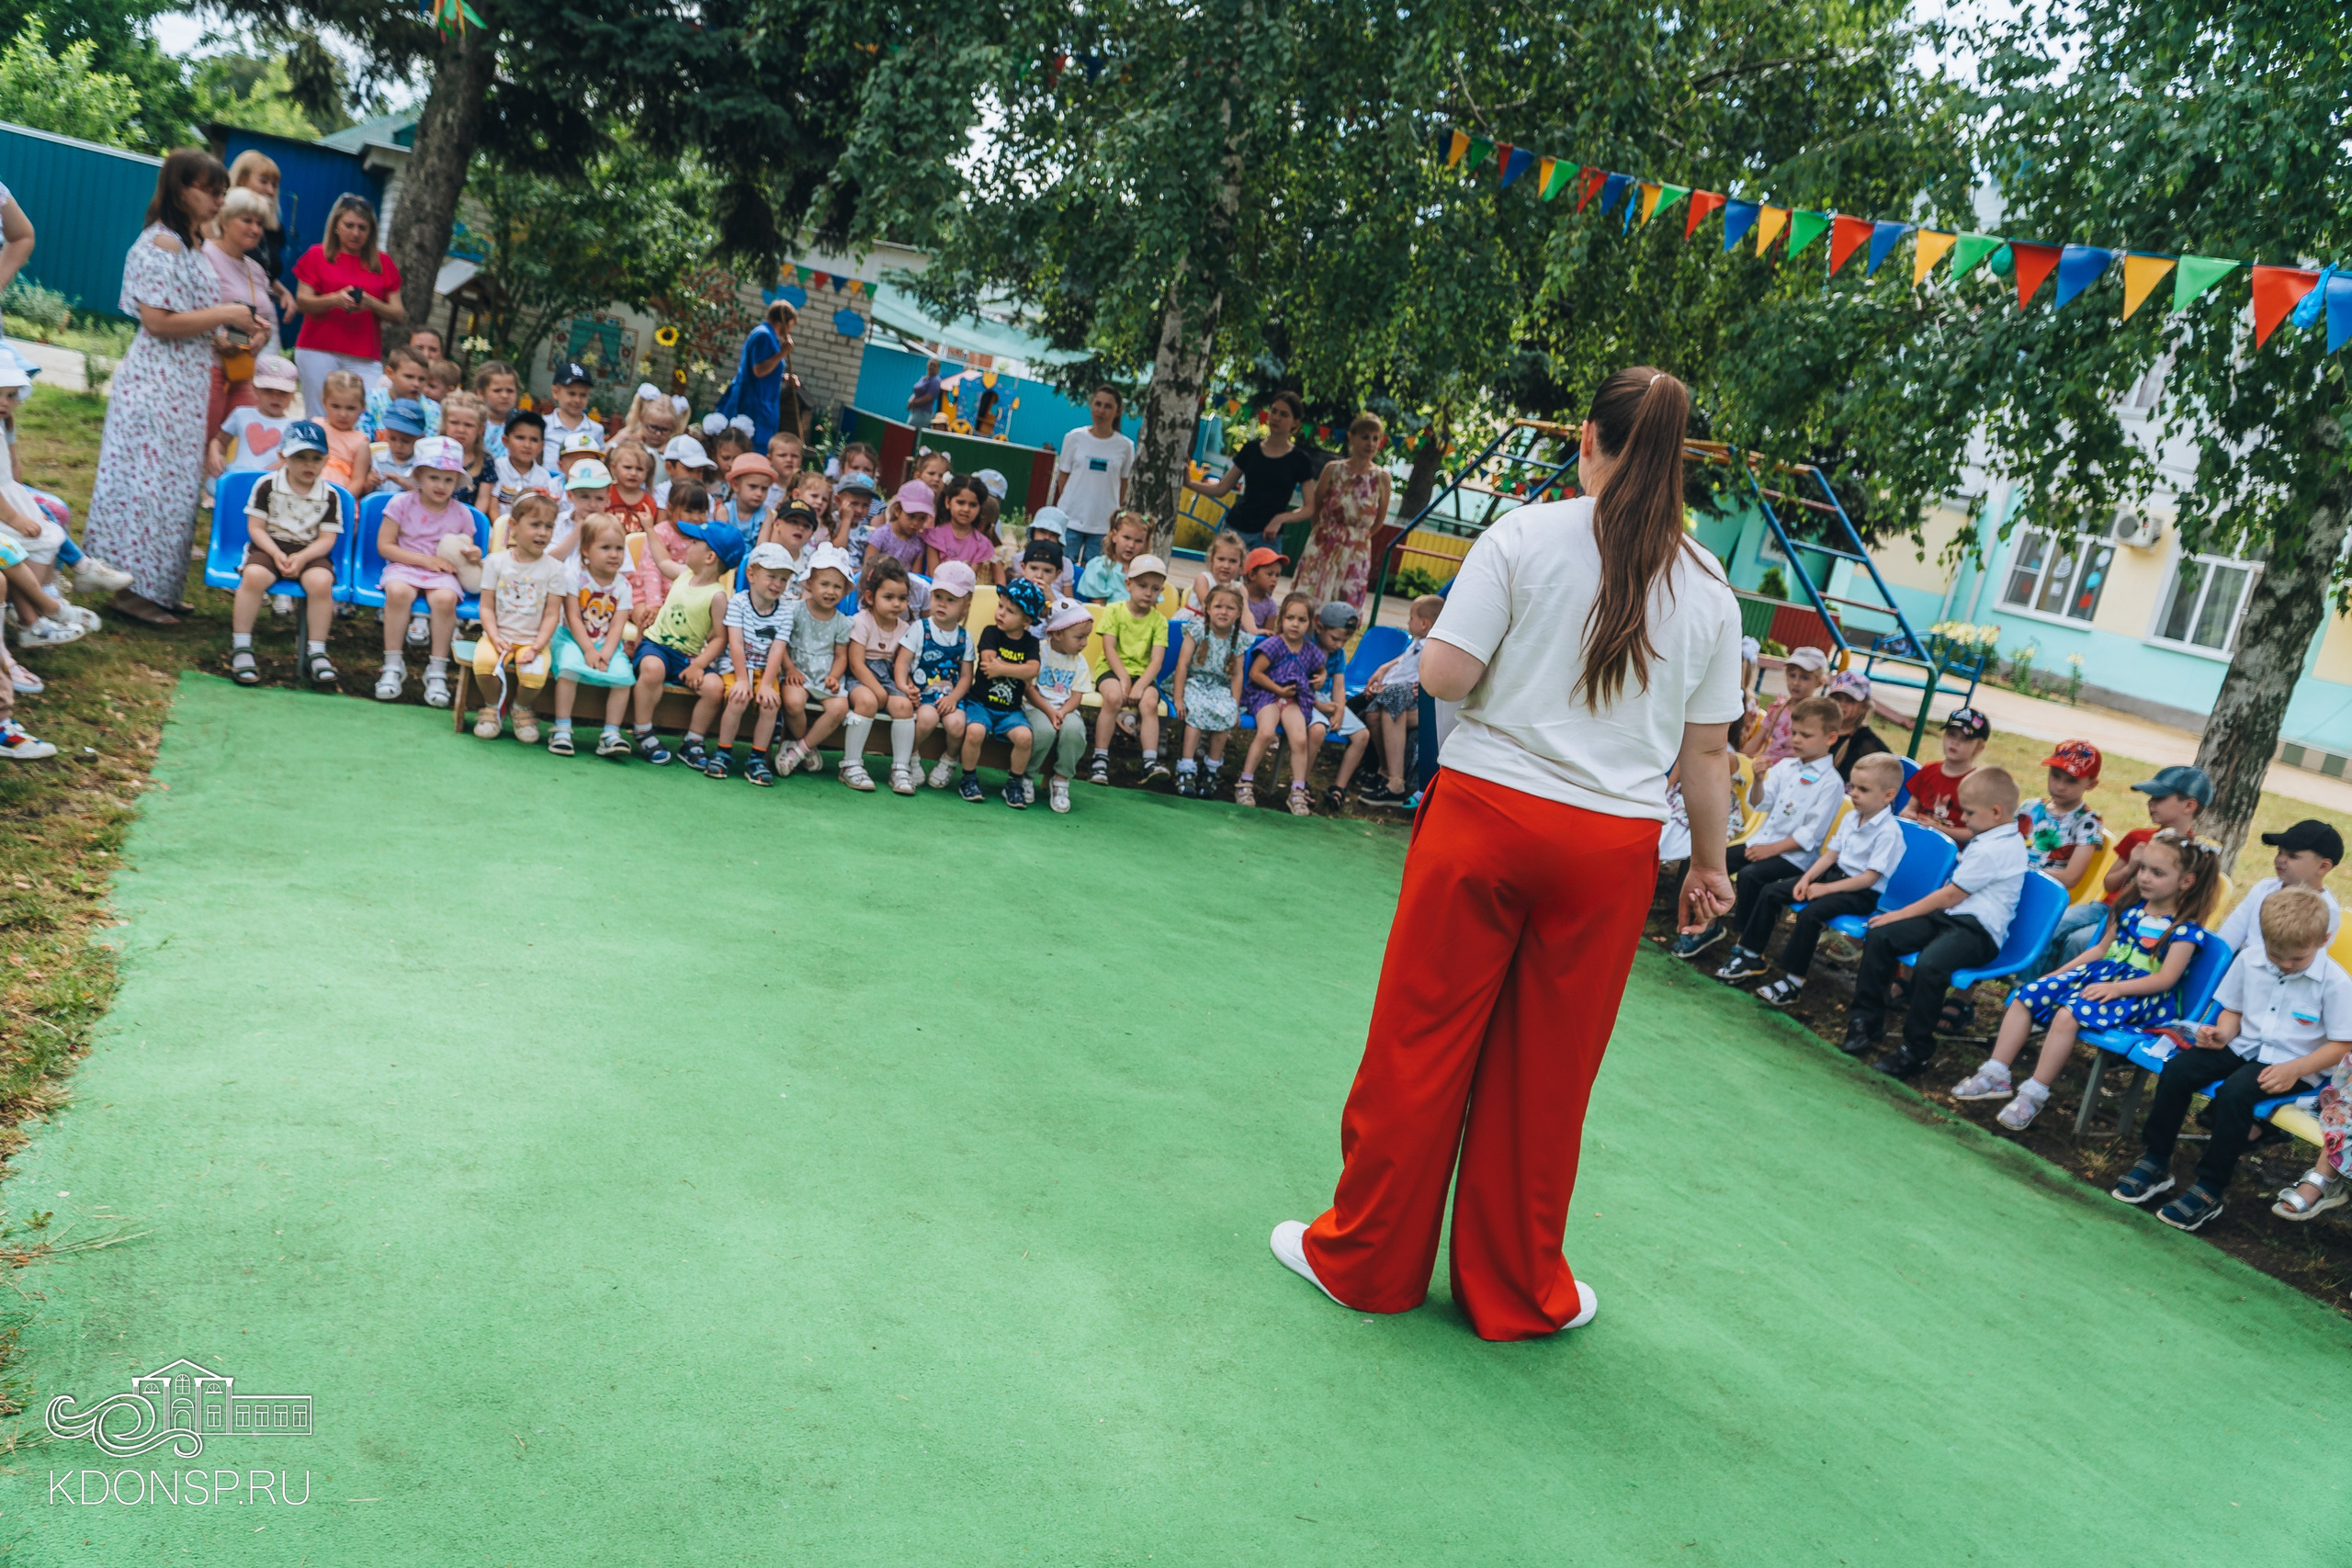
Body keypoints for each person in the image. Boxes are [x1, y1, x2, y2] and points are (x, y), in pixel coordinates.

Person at [1267, 367, 1740, 1341]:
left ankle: (1364, 1261)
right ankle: (1518, 1290)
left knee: (1420, 1041)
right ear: (1679, 458)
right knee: (1548, 1074)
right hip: (1611, 844)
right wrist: (1709, 863)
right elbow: (1707, 748)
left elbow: (1443, 671)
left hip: (1489, 816)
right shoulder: (1708, 587)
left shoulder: (1524, 534)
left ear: (1586, 440)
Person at [2112, 887, 2352, 1233]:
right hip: (2245, 1045)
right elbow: (2233, 1010)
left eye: (2296, 959)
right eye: (2276, 955)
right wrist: (2220, 1033)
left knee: (2236, 1094)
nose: (2285, 964)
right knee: (2179, 1070)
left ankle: (2209, 1189)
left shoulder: (2335, 983)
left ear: (2323, 940)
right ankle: (2155, 1160)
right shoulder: (2251, 958)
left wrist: (2295, 1069)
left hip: (2297, 1063)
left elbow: (2342, 1043)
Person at [84, 150, 257, 626]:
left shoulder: (190, 246)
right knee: (146, 486)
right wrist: (226, 314)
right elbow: (158, 322)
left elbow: (187, 320)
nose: (219, 200)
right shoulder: (161, 244)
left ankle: (157, 587)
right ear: (182, 189)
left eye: (223, 192)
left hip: (184, 382)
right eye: (211, 190)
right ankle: (129, 592)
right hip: (157, 385)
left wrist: (231, 337)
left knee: (175, 488)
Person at [1953, 828, 2222, 1130]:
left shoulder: (2185, 931)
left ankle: (2033, 1093)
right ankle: (1995, 1074)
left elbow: (2166, 979)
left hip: (2141, 997)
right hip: (2102, 980)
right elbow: (2100, 950)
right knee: (2027, 994)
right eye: (2144, 868)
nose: (2145, 877)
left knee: (2069, 1014)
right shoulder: (2129, 910)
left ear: (2187, 882)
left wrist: (2116, 988)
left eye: (2157, 873)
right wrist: (2057, 974)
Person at [1840, 767, 2029, 1077]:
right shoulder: (1991, 836)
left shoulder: (1998, 848)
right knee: (1883, 935)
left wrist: (1898, 913)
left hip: (1979, 932)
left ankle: (1915, 1052)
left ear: (1996, 812)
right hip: (1953, 920)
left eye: (1969, 812)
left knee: (1930, 966)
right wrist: (1893, 921)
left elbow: (1949, 897)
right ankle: (1865, 1022)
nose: (1964, 819)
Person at [1673, 695, 1844, 961]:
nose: (1796, 740)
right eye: (1795, 733)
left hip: (1794, 857)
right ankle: (1706, 924)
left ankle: (1745, 943)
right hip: (1763, 843)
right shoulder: (1786, 766)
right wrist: (1761, 779)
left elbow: (1811, 835)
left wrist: (1770, 849)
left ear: (1831, 738)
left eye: (1806, 735)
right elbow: (1759, 803)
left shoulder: (1831, 783)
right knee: (1715, 860)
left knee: (1752, 876)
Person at [1747, 755, 1910, 1004]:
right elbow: (1831, 855)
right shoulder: (1851, 818)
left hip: (1860, 894)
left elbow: (1868, 878)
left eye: (1863, 789)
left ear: (1888, 795)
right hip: (1832, 879)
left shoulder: (1889, 832)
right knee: (1772, 891)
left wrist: (1825, 889)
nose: (1854, 794)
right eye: (1852, 787)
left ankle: (1793, 981)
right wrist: (1807, 879)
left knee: (1811, 914)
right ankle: (1750, 953)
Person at [2047, 763, 2213, 969]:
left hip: (2141, 921)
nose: (2151, 804)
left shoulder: (2194, 858)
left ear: (2189, 806)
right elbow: (2109, 885)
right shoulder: (2138, 837)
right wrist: (2132, 866)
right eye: (2151, 798)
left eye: (2160, 798)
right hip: (2105, 908)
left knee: (2079, 941)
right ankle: (2028, 984)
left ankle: (2062, 991)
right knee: (2055, 922)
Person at [228, 420, 341, 687]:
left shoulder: (330, 495)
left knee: (321, 583)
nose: (308, 465)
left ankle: (317, 650)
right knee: (254, 576)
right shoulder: (267, 485)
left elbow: (327, 539)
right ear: (283, 457)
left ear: (325, 460)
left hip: (310, 550)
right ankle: (241, 645)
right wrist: (276, 553)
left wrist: (302, 558)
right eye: (300, 457)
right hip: (270, 544)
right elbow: (255, 528)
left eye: (316, 458)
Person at [371, 435, 479, 707]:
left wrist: (473, 554)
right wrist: (424, 561)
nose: (441, 486)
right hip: (405, 564)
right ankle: (393, 665)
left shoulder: (462, 514)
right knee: (397, 592)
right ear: (419, 475)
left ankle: (437, 670)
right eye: (433, 477)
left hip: (443, 571)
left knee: (445, 599)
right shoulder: (400, 504)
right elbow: (385, 547)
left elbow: (466, 549)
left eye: (448, 479)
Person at [458, 494, 569, 744]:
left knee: (534, 677)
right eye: (535, 524)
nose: (542, 532)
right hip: (498, 636)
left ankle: (520, 707)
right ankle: (493, 706)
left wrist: (538, 646)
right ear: (514, 526)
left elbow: (552, 614)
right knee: (484, 665)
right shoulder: (496, 562)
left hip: (533, 641)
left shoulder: (555, 568)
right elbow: (485, 607)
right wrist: (495, 638)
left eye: (548, 526)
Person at [629, 520, 741, 767]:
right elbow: (661, 560)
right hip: (655, 645)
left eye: (695, 542)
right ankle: (643, 730)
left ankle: (693, 741)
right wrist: (649, 529)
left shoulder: (717, 595)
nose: (688, 545)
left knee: (713, 688)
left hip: (687, 656)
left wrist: (699, 665)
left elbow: (720, 637)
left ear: (710, 557)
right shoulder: (683, 574)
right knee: (653, 669)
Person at [290, 193, 402, 418]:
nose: (355, 233)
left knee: (367, 413)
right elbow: (302, 301)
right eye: (349, 225)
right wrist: (335, 299)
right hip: (317, 347)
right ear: (335, 226)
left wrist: (370, 302)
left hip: (364, 354)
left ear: (371, 231)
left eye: (363, 227)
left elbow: (399, 314)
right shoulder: (317, 255)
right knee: (318, 414)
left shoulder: (382, 263)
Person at [705, 541, 799, 784]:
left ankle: (757, 758)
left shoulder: (786, 612)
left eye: (783, 579)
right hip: (735, 667)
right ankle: (723, 752)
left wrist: (767, 684)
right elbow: (735, 644)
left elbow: (778, 649)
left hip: (765, 669)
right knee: (738, 697)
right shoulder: (738, 602)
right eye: (771, 576)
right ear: (751, 574)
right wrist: (741, 680)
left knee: (771, 703)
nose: (777, 584)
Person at [547, 512, 638, 759]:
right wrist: (588, 650)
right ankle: (562, 727)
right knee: (568, 668)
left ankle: (610, 733)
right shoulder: (574, 577)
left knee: (624, 678)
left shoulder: (623, 586)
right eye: (605, 547)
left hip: (607, 644)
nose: (614, 554)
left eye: (619, 548)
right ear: (586, 550)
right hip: (571, 638)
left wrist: (605, 653)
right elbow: (574, 617)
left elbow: (618, 625)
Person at [1183, 391, 1320, 553]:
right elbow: (1221, 489)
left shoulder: (1300, 460)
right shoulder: (1251, 449)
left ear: (1295, 423)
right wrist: (1190, 483)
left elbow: (1309, 508)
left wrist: (1280, 519)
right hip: (1236, 529)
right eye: (1274, 411)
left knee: (1263, 578)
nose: (1276, 417)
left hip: (1268, 537)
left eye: (1284, 414)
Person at [200, 186, 281, 446]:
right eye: (247, 220)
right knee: (203, 446)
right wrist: (217, 338)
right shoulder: (204, 255)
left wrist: (263, 336)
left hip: (243, 372)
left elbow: (263, 320)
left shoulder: (256, 269)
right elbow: (188, 310)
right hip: (208, 369)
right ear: (224, 220)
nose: (256, 229)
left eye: (260, 223)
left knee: (244, 448)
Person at [957, 576, 1046, 807]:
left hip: (1010, 710)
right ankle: (968, 778)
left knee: (1025, 738)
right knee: (975, 731)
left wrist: (1003, 668)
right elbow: (988, 663)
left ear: (1026, 620)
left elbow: (1033, 669)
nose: (1001, 613)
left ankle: (1014, 784)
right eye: (1000, 607)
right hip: (980, 704)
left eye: (1010, 611)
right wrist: (1018, 670)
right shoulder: (991, 633)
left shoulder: (1030, 643)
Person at [1235, 592, 1327, 814]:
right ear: (1282, 619)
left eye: (1302, 620)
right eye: (1290, 618)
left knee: (1299, 739)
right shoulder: (1274, 644)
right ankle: (1245, 783)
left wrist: (1322, 676)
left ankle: (1297, 790)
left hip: (1293, 700)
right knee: (1266, 732)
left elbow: (1321, 668)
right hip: (1266, 696)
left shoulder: (1309, 650)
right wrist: (1278, 690)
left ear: (1309, 624)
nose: (1295, 624)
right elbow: (1256, 673)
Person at [1292, 412, 1393, 613]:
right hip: (1324, 542)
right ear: (1351, 437)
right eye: (1365, 437)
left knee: (1344, 605)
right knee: (1309, 600)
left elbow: (1379, 519)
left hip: (1356, 549)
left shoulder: (1381, 478)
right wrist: (1323, 534)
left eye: (1375, 438)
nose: (1370, 443)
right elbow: (1316, 505)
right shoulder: (1333, 470)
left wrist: (1357, 538)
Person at [1087, 553, 1170, 785]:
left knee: (1150, 703)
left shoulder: (1159, 621)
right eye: (1142, 585)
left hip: (1142, 675)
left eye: (1155, 588)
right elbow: (1109, 648)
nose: (1148, 592)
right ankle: (1100, 759)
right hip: (1113, 670)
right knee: (1113, 697)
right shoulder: (1114, 611)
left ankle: (1149, 762)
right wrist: (1124, 679)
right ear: (1128, 584)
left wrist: (1141, 685)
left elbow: (1156, 661)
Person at [841, 555, 922, 794]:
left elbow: (903, 665)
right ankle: (851, 764)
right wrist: (876, 689)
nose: (896, 604)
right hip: (862, 675)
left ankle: (900, 768)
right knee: (867, 701)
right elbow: (855, 664)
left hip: (892, 677)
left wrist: (908, 687)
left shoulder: (907, 629)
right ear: (870, 597)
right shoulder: (861, 621)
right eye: (889, 597)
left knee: (905, 707)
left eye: (902, 598)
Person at [775, 544, 857, 776]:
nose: (831, 591)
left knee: (840, 707)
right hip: (797, 670)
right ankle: (808, 746)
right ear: (809, 584)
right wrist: (789, 668)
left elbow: (841, 655)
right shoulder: (795, 611)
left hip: (824, 674)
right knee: (793, 702)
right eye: (824, 584)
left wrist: (834, 676)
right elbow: (780, 644)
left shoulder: (842, 622)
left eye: (837, 586)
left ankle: (799, 749)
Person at [1356, 593, 1444, 806]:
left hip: (1428, 706)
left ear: (1424, 623)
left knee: (1391, 701)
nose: (1408, 622)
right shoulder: (1417, 644)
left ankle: (1395, 783)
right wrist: (1385, 669)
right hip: (1408, 700)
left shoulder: (1434, 648)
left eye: (1411, 618)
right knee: (1373, 714)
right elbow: (1406, 663)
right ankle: (1386, 773)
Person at [2215, 820, 2344, 966]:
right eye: (2280, 852)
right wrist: (2215, 962)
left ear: (2323, 866)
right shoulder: (2264, 888)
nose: (2280, 859)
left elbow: (2303, 959)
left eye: (2293, 856)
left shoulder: (2326, 909)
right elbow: (2231, 933)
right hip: (2240, 966)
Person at [1171, 582, 1247, 797]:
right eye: (1219, 606)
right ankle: (1186, 768)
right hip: (1194, 683)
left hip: (1220, 688)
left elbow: (1237, 675)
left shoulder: (1239, 639)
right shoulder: (1196, 630)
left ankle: (1211, 770)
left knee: (1225, 714)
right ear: (1208, 609)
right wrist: (1178, 699)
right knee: (1195, 711)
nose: (1224, 612)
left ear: (1239, 613)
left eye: (1230, 608)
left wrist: (1235, 703)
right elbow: (1183, 665)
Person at [1049, 385, 1134, 569]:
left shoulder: (1125, 446)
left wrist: (1115, 514)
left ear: (1118, 411)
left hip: (1103, 525)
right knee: (1062, 571)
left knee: (1094, 575)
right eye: (1098, 404)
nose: (1101, 411)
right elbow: (1063, 478)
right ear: (1091, 405)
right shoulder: (1074, 438)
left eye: (1108, 406)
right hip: (1071, 520)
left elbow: (1123, 484)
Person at [1025, 602, 1097, 814]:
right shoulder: (1038, 652)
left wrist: (1063, 713)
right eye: (1079, 637)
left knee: (1075, 730)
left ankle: (1061, 780)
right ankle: (1027, 775)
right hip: (1036, 706)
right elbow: (1028, 689)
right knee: (1044, 731)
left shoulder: (1079, 661)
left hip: (1065, 709)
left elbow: (1077, 695)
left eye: (1086, 637)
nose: (1084, 643)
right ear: (1057, 634)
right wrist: (1049, 711)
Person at [910, 559, 978, 788]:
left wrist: (953, 698)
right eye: (938, 597)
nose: (942, 604)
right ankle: (911, 755)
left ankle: (949, 759)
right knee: (927, 719)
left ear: (965, 605)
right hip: (923, 694)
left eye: (951, 600)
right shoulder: (920, 628)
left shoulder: (965, 638)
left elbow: (967, 675)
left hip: (951, 696)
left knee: (958, 724)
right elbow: (902, 663)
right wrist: (904, 685)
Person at [2019, 739, 2107, 893]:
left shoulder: (2088, 823)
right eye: (2055, 775)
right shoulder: (2029, 807)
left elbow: (2071, 877)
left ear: (2091, 784)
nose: (2060, 786)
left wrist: (2021, 871)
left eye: (2071, 781)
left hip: (2043, 892)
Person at [717, 299, 802, 446]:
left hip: (762, 403)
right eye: (790, 325)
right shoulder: (763, 335)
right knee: (749, 447)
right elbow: (759, 370)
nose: (790, 330)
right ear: (783, 321)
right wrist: (782, 353)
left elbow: (767, 370)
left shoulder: (770, 337)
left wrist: (782, 378)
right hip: (753, 405)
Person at [1902, 706, 1989, 843]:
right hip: (1916, 839)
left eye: (1965, 738)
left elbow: (1974, 833)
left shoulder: (1977, 784)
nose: (1955, 742)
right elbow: (1910, 807)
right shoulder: (1928, 770)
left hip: (1949, 852)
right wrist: (1908, 815)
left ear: (1980, 747)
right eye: (1951, 734)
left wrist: (1938, 828)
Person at [207, 355, 298, 479]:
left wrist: (274, 469)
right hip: (238, 477)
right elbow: (220, 441)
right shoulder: (241, 414)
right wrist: (214, 451)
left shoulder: (293, 427)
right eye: (268, 390)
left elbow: (292, 459)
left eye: (283, 393)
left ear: (292, 395)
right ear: (255, 389)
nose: (276, 397)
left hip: (271, 483)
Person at [1743, 645, 1828, 764]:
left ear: (1819, 682)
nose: (1796, 683)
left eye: (1805, 678)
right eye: (1792, 675)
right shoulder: (1777, 709)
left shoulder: (1817, 716)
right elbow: (1755, 744)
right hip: (1767, 771)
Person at [923, 474, 1001, 581]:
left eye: (973, 505)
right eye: (960, 502)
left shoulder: (981, 543)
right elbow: (933, 575)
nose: (966, 509)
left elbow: (969, 578)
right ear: (948, 502)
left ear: (980, 508)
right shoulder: (935, 536)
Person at [1182, 528, 1258, 632]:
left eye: (1233, 561)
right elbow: (1207, 607)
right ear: (1212, 559)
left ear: (1241, 565)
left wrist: (1254, 632)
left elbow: (1245, 613)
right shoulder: (1204, 579)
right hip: (1192, 625)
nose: (1226, 566)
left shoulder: (1240, 588)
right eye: (1221, 559)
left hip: (1221, 627)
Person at [315, 369, 374, 498]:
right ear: (324, 402)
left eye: (350, 408)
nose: (343, 414)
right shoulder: (315, 426)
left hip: (339, 495)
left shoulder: (361, 442)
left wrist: (340, 501)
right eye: (336, 406)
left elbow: (358, 480)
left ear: (362, 407)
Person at [491, 410, 558, 521]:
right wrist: (503, 533)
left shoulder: (543, 477)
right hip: (499, 530)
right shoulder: (497, 468)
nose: (527, 445)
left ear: (541, 446)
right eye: (520, 438)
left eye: (534, 440)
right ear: (505, 440)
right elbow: (493, 509)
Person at [1823, 670, 1889, 779]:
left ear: (1864, 707)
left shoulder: (1866, 742)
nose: (1842, 704)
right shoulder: (1820, 730)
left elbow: (1888, 771)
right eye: (1837, 698)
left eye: (1850, 700)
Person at [363, 346, 439, 440]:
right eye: (409, 376)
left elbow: (430, 446)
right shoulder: (372, 400)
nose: (416, 384)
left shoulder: (432, 410)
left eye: (422, 379)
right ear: (389, 373)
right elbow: (361, 438)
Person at [1076, 511, 1149, 602]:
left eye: (1138, 541)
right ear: (1114, 536)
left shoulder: (1145, 570)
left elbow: (1152, 607)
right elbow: (1098, 605)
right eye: (1126, 538)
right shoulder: (1101, 567)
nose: (1131, 545)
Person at [864, 480, 934, 573]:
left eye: (922, 518)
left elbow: (916, 577)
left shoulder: (918, 544)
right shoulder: (881, 534)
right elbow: (868, 567)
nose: (916, 523)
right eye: (911, 516)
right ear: (897, 510)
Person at [472, 361, 521, 463]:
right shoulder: (473, 421)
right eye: (497, 390)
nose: (505, 395)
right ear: (481, 393)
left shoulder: (520, 424)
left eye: (510, 391)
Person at [1241, 547, 1283, 632]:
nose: (1274, 579)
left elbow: (1268, 635)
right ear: (1252, 575)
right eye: (1270, 574)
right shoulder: (1235, 594)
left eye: (1277, 575)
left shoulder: (1270, 606)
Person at [907, 356, 946, 424]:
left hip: (923, 412)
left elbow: (929, 397)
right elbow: (916, 392)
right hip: (915, 410)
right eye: (930, 364)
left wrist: (915, 402)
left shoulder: (936, 380)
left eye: (934, 366)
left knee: (910, 430)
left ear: (938, 368)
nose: (931, 367)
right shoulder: (923, 378)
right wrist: (911, 400)